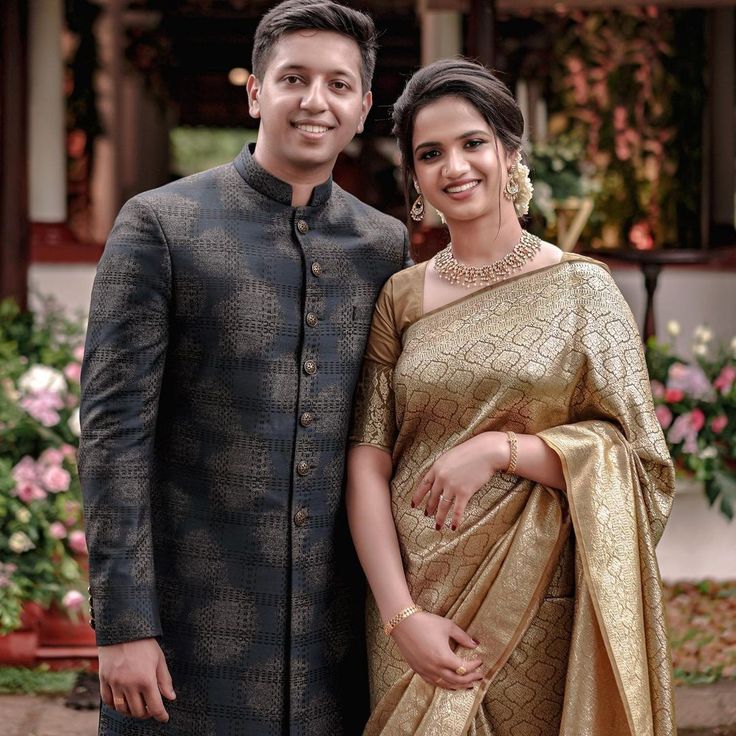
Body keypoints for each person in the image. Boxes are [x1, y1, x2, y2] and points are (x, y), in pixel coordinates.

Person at [79, 2, 410, 734]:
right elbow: (112, 438)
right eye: (293, 78)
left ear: (362, 106)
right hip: (186, 642)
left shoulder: (385, 247)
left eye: (338, 84)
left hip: (336, 652)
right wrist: (125, 625)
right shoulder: (160, 224)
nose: (314, 100)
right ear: (257, 92)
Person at [346, 58, 676, 736]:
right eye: (430, 153)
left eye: (472, 143)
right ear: (414, 177)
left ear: (509, 153)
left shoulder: (584, 291)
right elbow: (366, 462)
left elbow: (641, 469)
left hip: (535, 598)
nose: (455, 167)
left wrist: (502, 451)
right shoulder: (400, 297)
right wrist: (399, 615)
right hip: (415, 592)